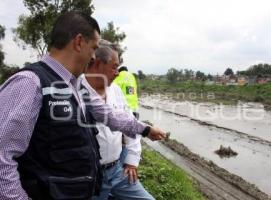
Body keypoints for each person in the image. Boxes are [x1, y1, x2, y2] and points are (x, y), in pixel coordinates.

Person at [0, 11, 165, 200]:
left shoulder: (76, 86)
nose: (94, 57)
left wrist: (145, 129)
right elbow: (2, 158)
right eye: (94, 48)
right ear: (79, 42)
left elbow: (109, 115)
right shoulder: (30, 83)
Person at [82, 40, 154, 200]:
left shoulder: (115, 90)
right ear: (98, 63)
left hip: (117, 170)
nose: (117, 72)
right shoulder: (78, 90)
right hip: (91, 176)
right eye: (114, 66)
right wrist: (148, 130)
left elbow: (127, 120)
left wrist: (132, 160)